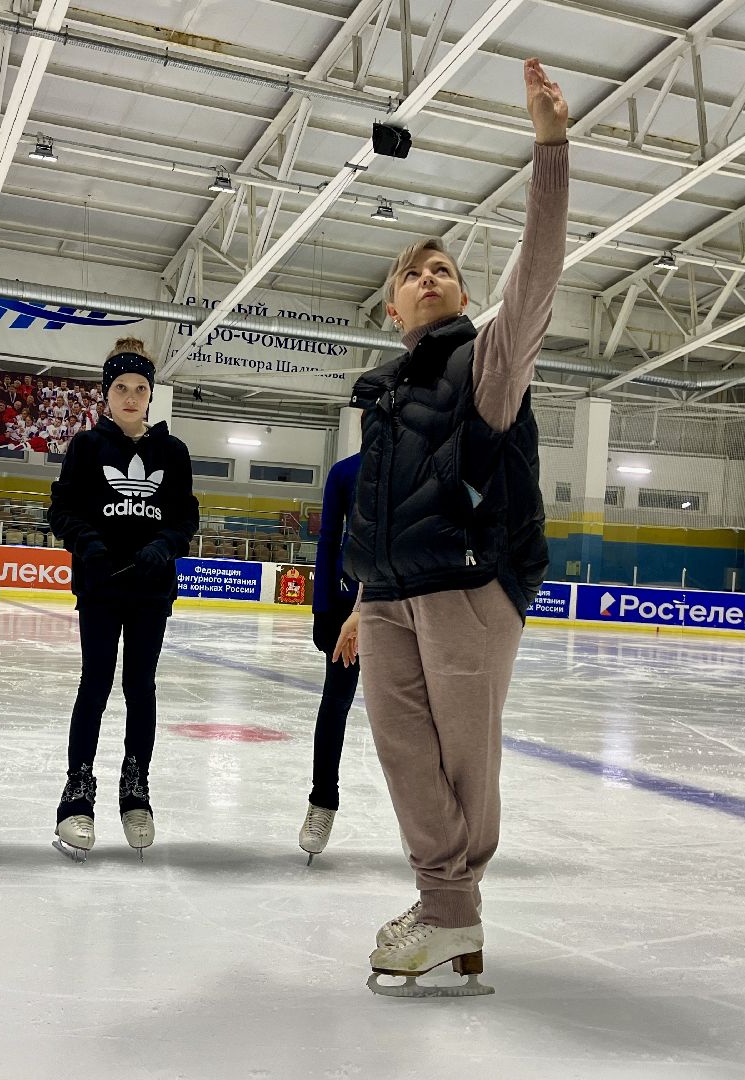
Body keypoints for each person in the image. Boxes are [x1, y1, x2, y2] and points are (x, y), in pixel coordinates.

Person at [335, 58, 568, 992]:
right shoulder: (384, 393)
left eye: (444, 270)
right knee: (402, 756)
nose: (429, 276)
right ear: (392, 307)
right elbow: (383, 505)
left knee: (464, 760)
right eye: (412, 273)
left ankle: (449, 914)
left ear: (462, 298)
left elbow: (539, 273)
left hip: (471, 587)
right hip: (391, 592)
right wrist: (360, 596)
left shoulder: (487, 364)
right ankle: (448, 914)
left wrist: (550, 150)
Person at [47, 337, 199, 861]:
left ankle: (136, 788)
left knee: (140, 685)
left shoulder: (172, 452)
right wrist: (87, 544)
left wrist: (165, 545)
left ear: (150, 395)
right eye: (121, 388)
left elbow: (185, 516)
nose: (131, 396)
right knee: (95, 683)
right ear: (105, 394)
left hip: (151, 589)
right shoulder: (88, 448)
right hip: (100, 586)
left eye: (140, 388)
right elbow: (62, 509)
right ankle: (77, 791)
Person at [296, 451, 361, 863]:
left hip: (404, 601)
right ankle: (322, 802)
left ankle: (428, 821)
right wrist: (322, 607)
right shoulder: (345, 472)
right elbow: (328, 539)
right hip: (343, 604)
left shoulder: (424, 462)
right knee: (335, 703)